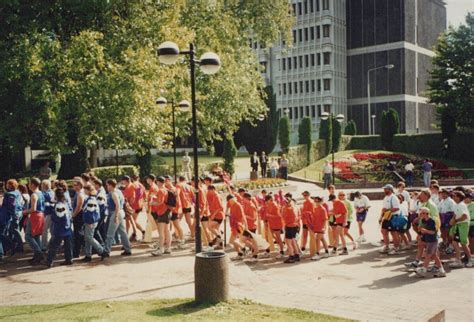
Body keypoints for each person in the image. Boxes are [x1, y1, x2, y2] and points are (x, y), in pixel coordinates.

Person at [43, 188, 73, 267]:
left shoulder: (59, 205)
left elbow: (59, 216)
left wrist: (53, 216)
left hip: (60, 228)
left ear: (56, 195)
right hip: (67, 226)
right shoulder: (65, 203)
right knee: (67, 245)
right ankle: (69, 259)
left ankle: (49, 261)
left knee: (54, 245)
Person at [103, 179, 132, 258]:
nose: (106, 186)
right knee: (123, 232)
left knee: (110, 233)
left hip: (116, 213)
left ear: (111, 185)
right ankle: (128, 249)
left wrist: (115, 216)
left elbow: (117, 205)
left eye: (107, 185)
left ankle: (106, 251)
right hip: (120, 212)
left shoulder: (113, 193)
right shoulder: (118, 191)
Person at [415, 207, 446, 277]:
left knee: (428, 255)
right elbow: (421, 230)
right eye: (420, 213)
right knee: (434, 255)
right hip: (427, 240)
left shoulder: (432, 221)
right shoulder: (422, 220)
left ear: (427, 214)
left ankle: (424, 270)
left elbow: (433, 232)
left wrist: (425, 231)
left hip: (432, 240)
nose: (420, 214)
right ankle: (442, 271)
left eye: (422, 213)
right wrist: (420, 231)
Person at [23, 178, 45, 265]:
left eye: (29, 184)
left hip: (35, 216)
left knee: (28, 236)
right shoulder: (41, 193)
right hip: (41, 215)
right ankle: (37, 257)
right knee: (36, 236)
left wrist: (24, 212)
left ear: (32, 184)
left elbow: (33, 209)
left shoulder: (34, 195)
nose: (28, 186)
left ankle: (39, 253)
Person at [449, 191, 472, 268]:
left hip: (463, 225)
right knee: (455, 242)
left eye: (455, 195)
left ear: (459, 197)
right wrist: (452, 220)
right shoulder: (456, 205)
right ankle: (458, 260)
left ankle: (470, 260)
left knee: (463, 244)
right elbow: (455, 214)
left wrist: (455, 220)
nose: (453, 197)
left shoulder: (462, 205)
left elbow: (464, 216)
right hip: (458, 225)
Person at [81, 184, 105, 262]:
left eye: (85, 190)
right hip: (90, 221)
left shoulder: (90, 200)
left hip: (90, 222)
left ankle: (101, 250)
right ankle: (88, 255)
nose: (84, 191)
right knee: (87, 238)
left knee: (89, 237)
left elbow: (91, 212)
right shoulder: (91, 199)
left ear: (88, 191)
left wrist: (90, 221)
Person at [150, 177, 171, 256]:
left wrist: (152, 203)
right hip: (167, 212)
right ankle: (168, 248)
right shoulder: (165, 190)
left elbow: (160, 202)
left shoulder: (161, 190)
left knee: (161, 231)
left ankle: (161, 248)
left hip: (162, 212)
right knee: (167, 231)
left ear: (158, 182)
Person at [3, 180, 24, 257]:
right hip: (19, 212)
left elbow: (12, 206)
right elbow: (22, 202)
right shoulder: (18, 192)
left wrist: (13, 214)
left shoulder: (10, 194)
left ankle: (19, 246)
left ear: (10, 185)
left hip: (14, 215)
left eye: (8, 184)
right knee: (14, 230)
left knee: (13, 230)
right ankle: (14, 246)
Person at [379, 184, 401, 255]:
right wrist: (381, 217)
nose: (384, 190)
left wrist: (387, 209)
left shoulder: (394, 197)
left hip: (393, 217)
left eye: (386, 189)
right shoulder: (385, 197)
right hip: (386, 216)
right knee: (384, 231)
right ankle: (387, 246)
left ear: (390, 189)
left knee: (393, 233)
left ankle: (396, 248)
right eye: (384, 189)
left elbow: (397, 208)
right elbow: (384, 208)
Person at [309, 196, 330, 260]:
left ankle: (317, 254)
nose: (315, 202)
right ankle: (327, 252)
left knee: (317, 240)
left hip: (321, 227)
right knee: (322, 239)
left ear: (320, 201)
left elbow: (325, 219)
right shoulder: (315, 208)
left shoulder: (322, 209)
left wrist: (324, 227)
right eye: (315, 201)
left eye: (317, 201)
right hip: (316, 227)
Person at [282, 193, 300, 263]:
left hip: (289, 226)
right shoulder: (294, 207)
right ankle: (297, 255)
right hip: (294, 226)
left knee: (288, 242)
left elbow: (284, 217)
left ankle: (292, 256)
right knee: (293, 240)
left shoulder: (287, 209)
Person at [438, 189, 455, 254]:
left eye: (445, 193)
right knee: (443, 232)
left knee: (448, 232)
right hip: (442, 217)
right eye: (442, 193)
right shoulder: (442, 200)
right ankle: (445, 243)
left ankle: (451, 246)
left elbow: (453, 211)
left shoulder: (451, 201)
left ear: (448, 194)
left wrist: (452, 220)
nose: (443, 195)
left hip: (448, 217)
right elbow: (438, 209)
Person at [71, 179, 85, 258]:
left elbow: (79, 207)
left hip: (79, 216)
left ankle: (77, 252)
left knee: (78, 233)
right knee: (78, 233)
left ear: (79, 185)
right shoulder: (78, 193)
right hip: (77, 215)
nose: (73, 186)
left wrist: (73, 215)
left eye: (75, 185)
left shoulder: (80, 194)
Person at [41, 180, 55, 251]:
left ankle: (44, 246)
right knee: (52, 230)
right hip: (53, 212)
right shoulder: (52, 192)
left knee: (45, 230)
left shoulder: (44, 193)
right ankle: (52, 243)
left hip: (47, 213)